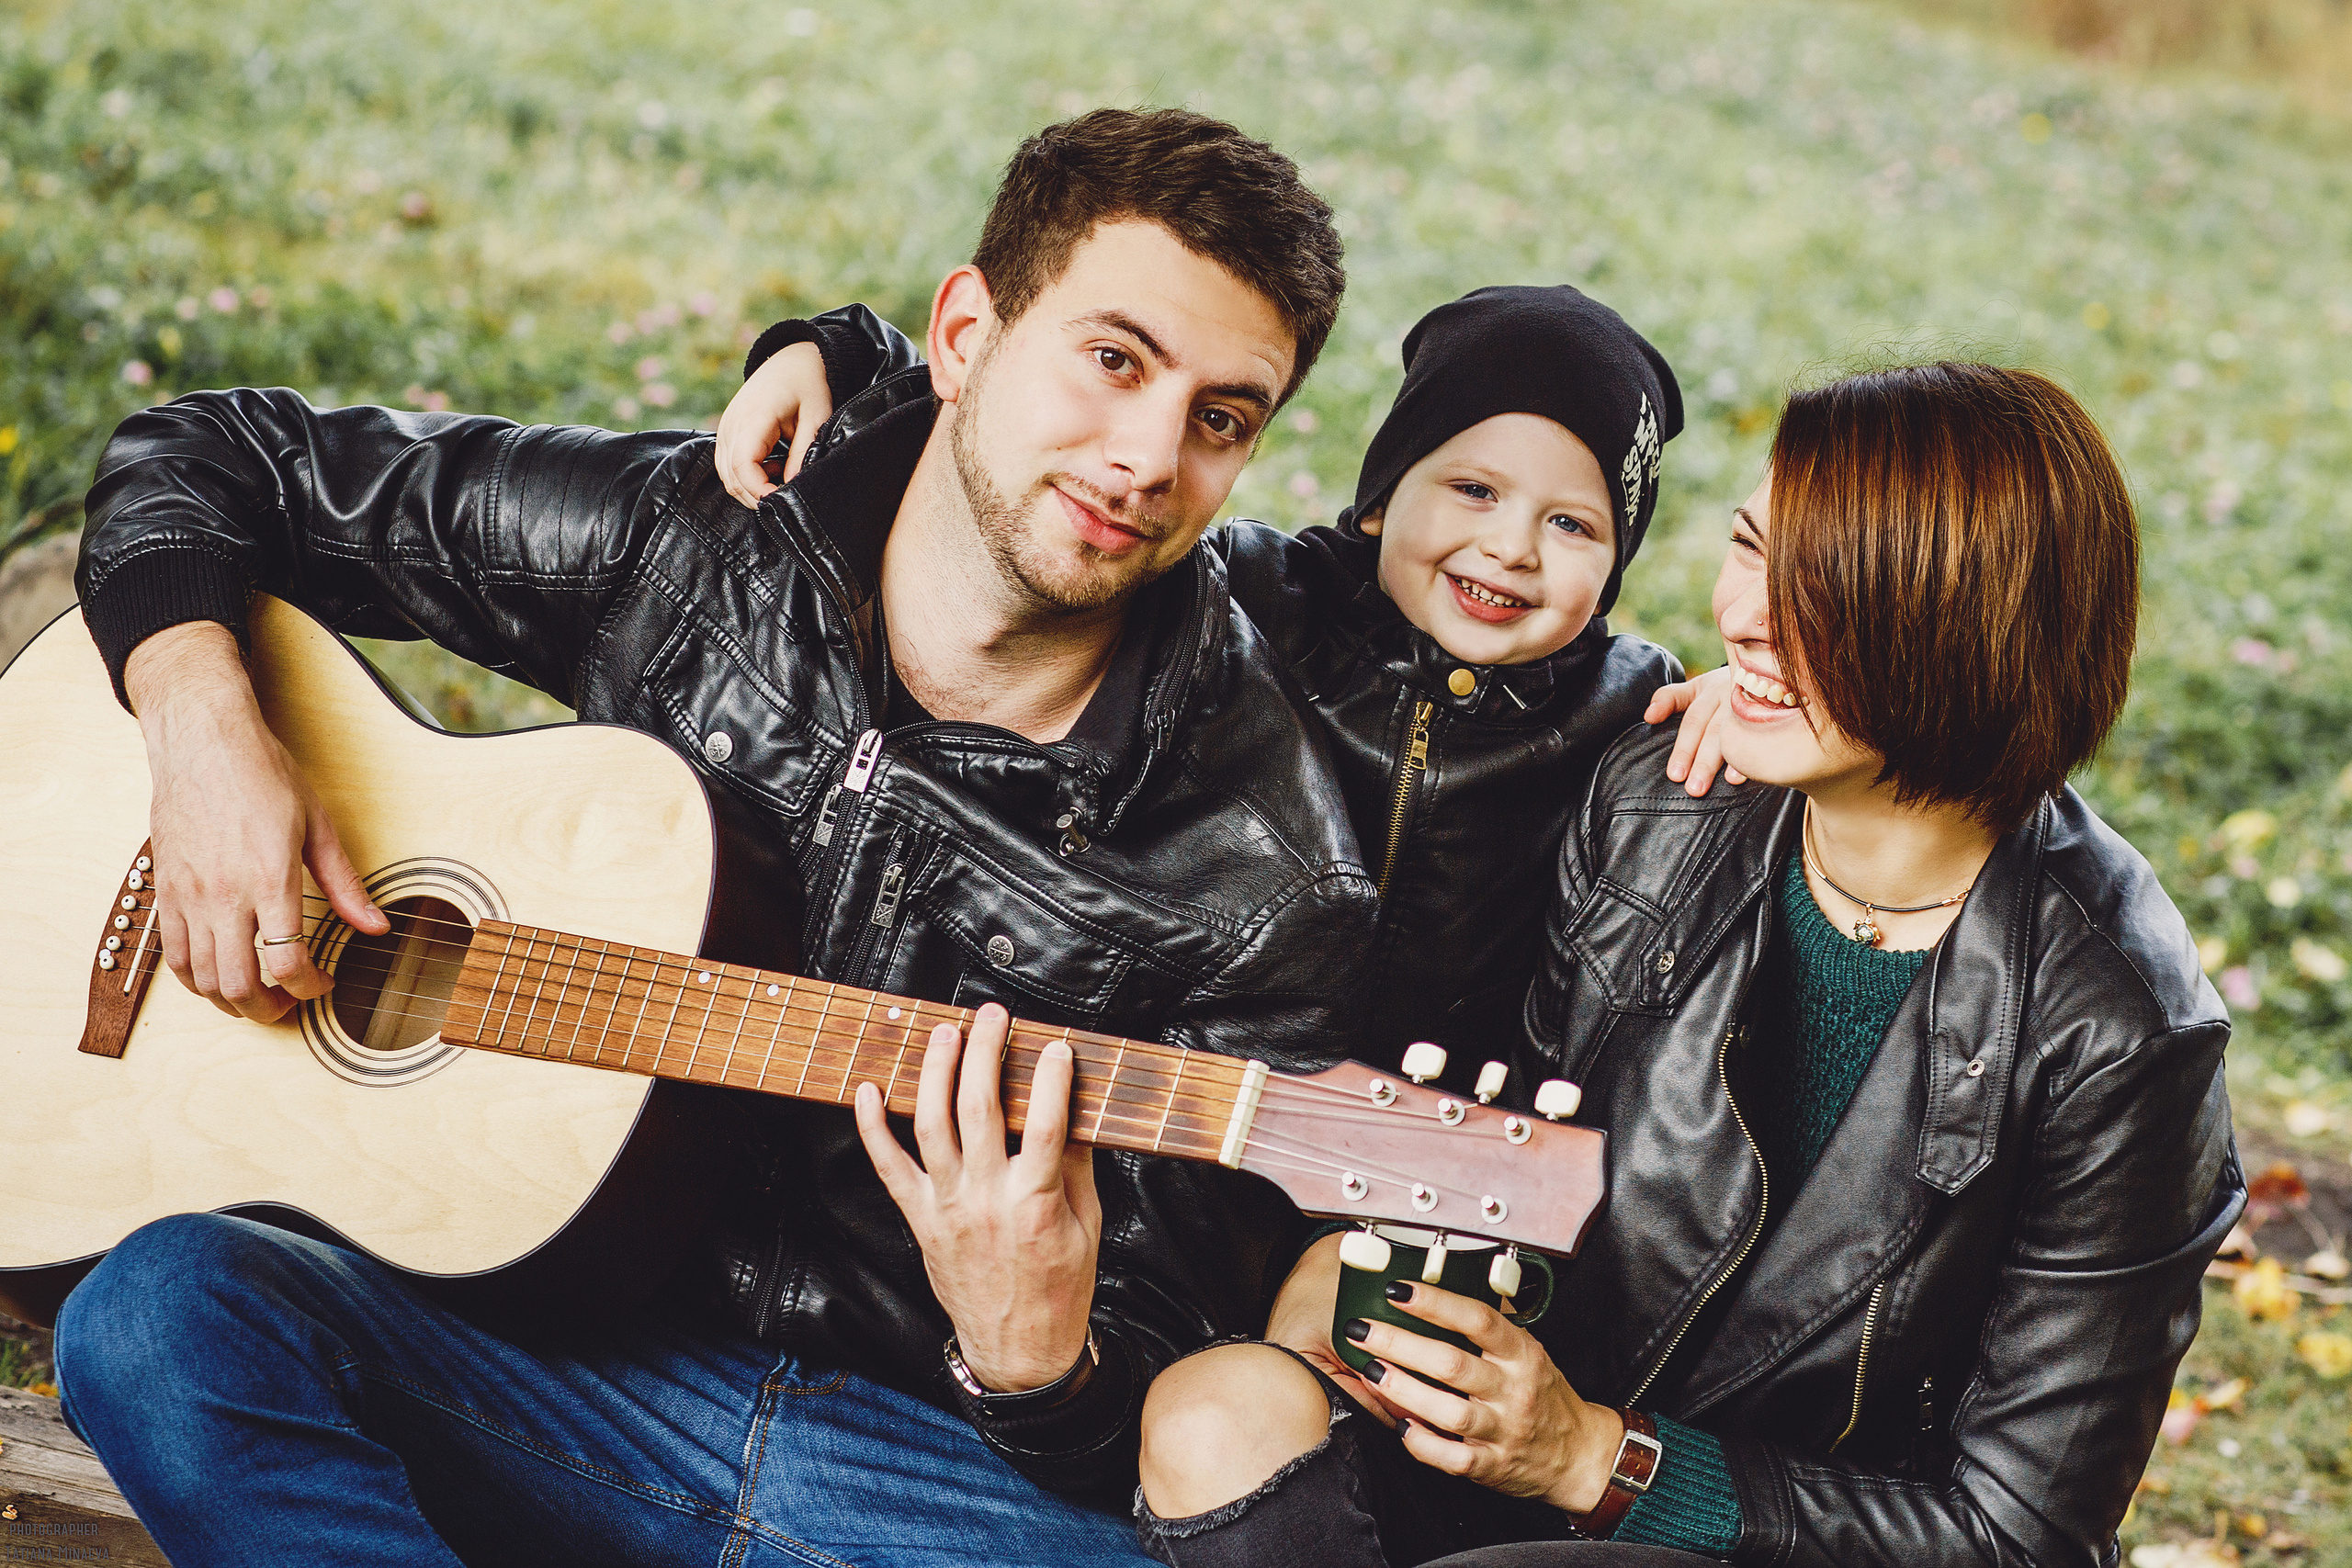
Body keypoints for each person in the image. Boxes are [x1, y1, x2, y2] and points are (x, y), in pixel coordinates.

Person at [54, 109, 1374, 1568]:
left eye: (1222, 418)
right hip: (549, 1354)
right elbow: (216, 452)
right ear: (965, 330)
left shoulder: (1269, 873)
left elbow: (1150, 1382)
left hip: (913, 1472)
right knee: (162, 1317)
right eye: (1115, 360)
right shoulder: (690, 540)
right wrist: (203, 733)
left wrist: (1040, 1358)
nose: (1148, 455)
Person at [1129, 362, 2245, 1566]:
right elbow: (1524, 1152)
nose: (1749, 617)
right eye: (1751, 548)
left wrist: (1600, 1457)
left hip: (1784, 1534)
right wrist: (1351, 1261)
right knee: (1218, 1412)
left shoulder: (2122, 1028)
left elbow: (2019, 1533)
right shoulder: (1668, 799)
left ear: (1970, 632)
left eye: (1824, 593)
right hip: (1525, 1450)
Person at [720, 283, 1690, 1093]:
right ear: (1384, 494)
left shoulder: (1622, 709)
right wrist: (837, 354)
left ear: (1612, 572)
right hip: (1178, 1087)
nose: (1511, 547)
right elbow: (987, 427)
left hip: (1424, 1136)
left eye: (1572, 526)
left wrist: (1737, 700)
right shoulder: (1255, 595)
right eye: (1474, 491)